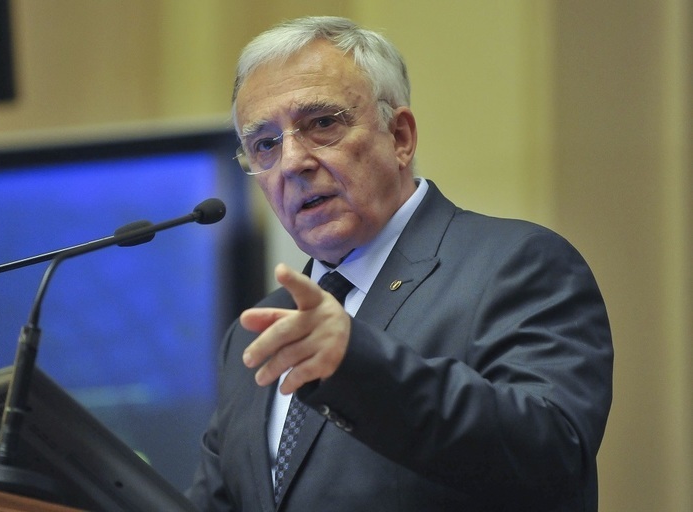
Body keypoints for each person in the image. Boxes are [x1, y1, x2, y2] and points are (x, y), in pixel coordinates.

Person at [186, 16, 612, 512]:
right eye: (265, 144)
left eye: (322, 123)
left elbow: (553, 455)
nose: (293, 162)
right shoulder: (254, 335)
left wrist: (356, 364)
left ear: (400, 136)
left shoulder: (517, 265)